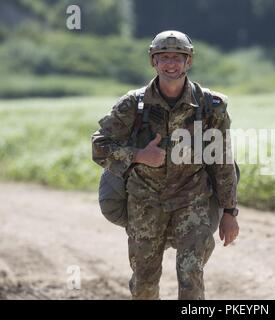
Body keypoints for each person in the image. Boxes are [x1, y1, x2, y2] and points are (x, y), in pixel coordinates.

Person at [91, 30, 239, 300]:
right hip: (145, 199)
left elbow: (222, 160)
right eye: (164, 58)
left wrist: (230, 211)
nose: (171, 64)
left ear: (189, 61)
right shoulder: (132, 105)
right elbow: (99, 146)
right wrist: (138, 155)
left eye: (177, 58)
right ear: (153, 62)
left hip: (192, 198)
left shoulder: (210, 106)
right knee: (145, 282)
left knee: (191, 275)